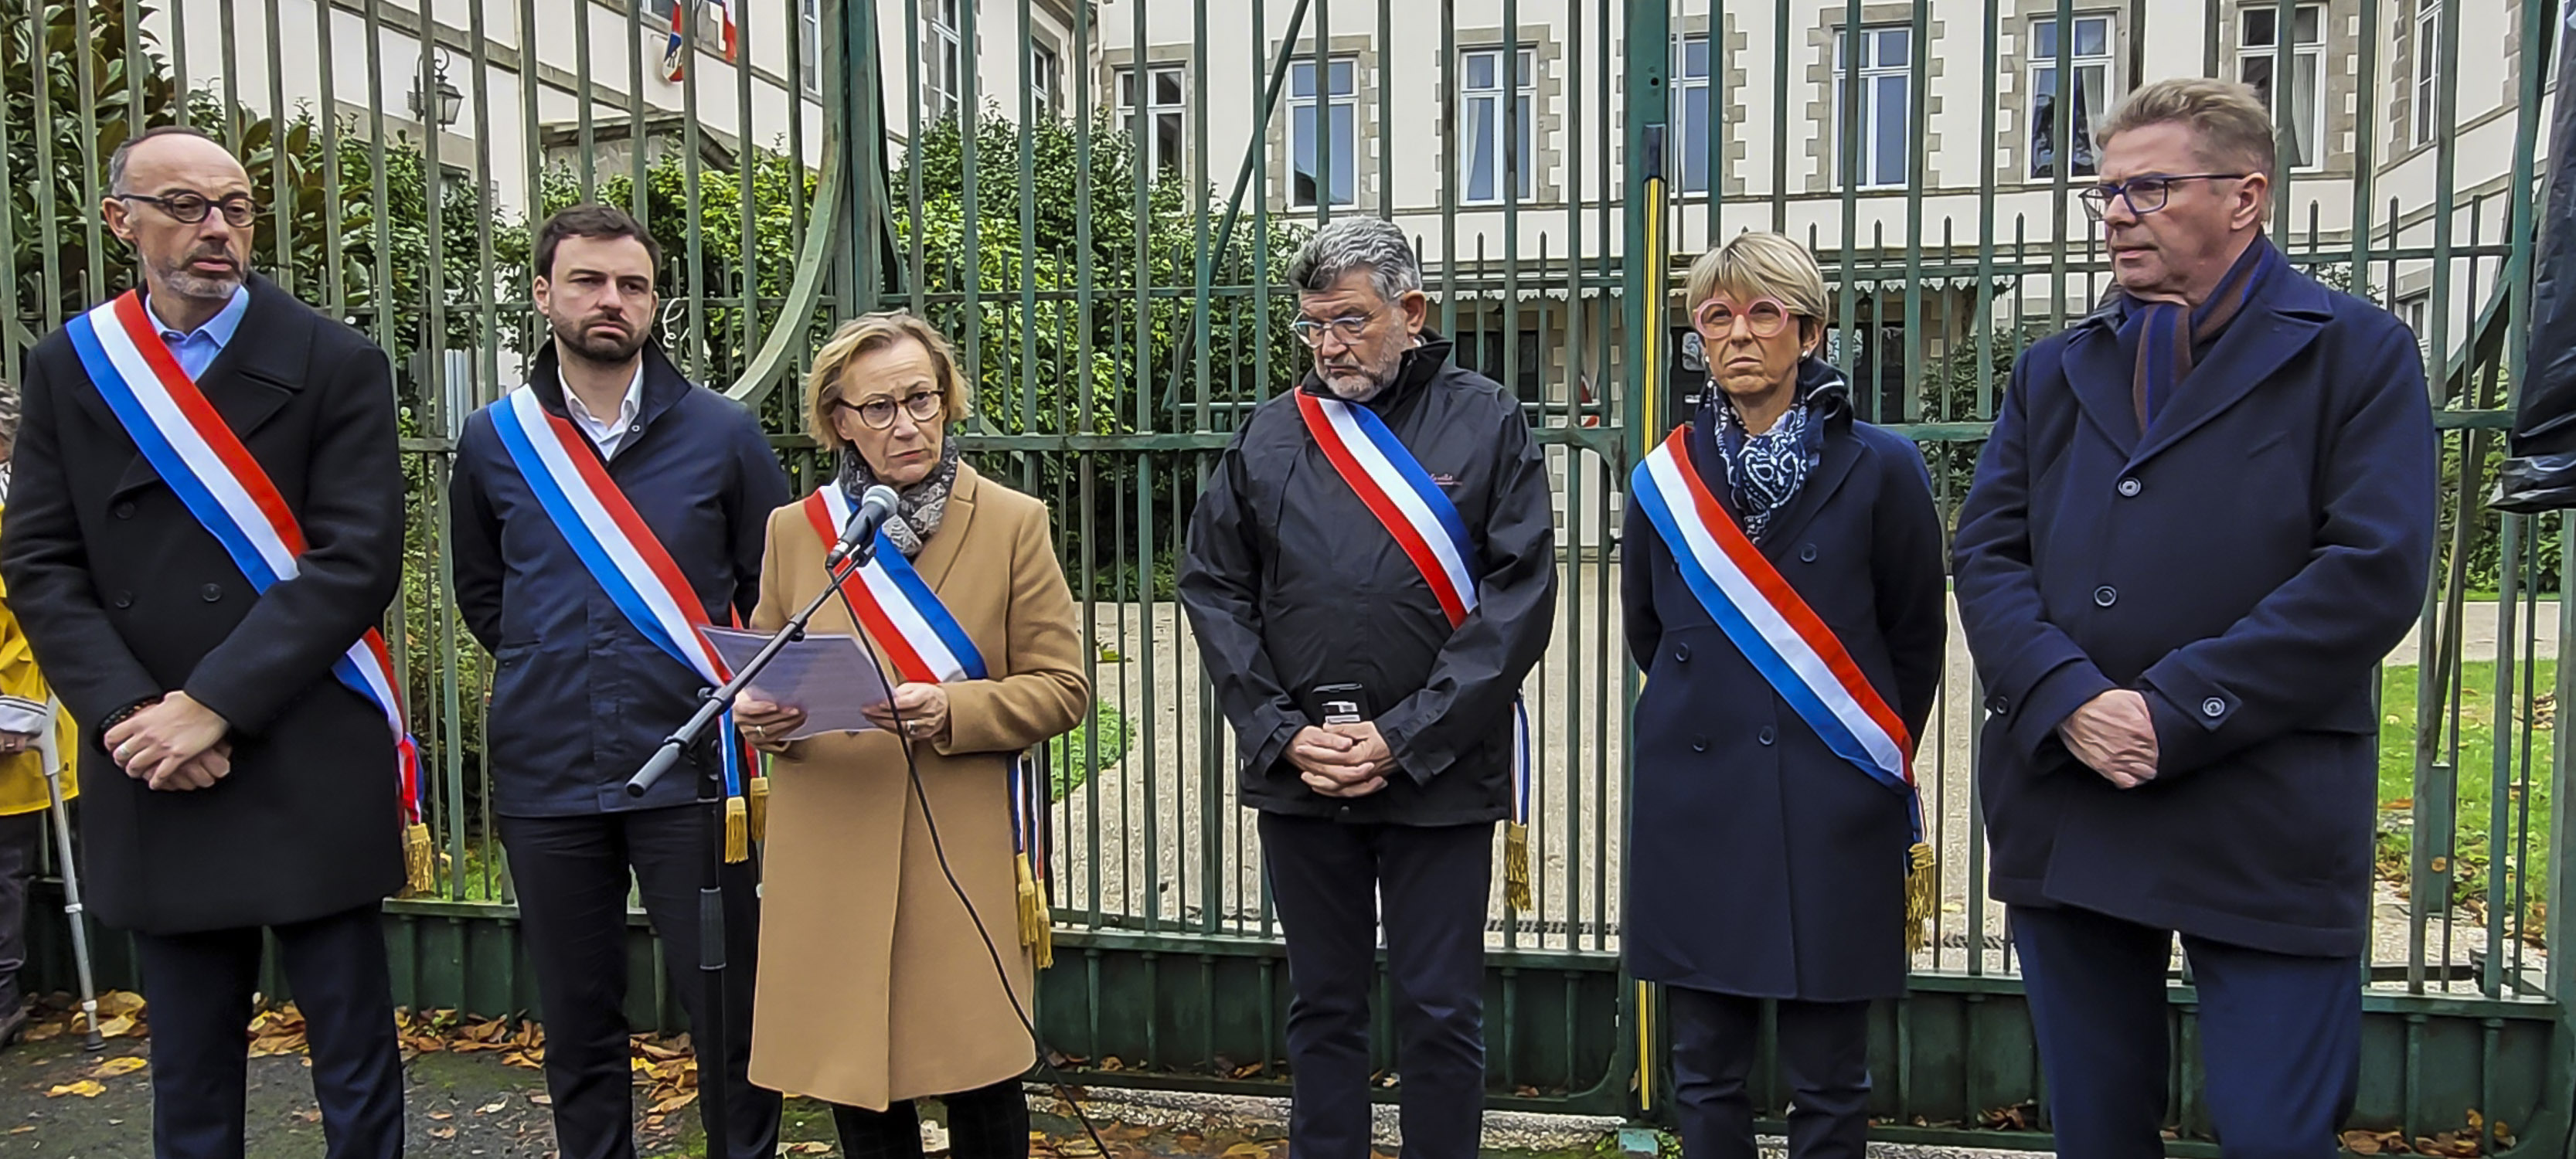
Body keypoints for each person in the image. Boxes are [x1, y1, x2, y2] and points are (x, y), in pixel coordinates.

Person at [1952, 78, 2436, 1158]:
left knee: (2274, 1134)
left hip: (2260, 805)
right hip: (2073, 797)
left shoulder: (2355, 353)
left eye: (2150, 188)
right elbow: (1985, 552)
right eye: (2106, 192)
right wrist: (2066, 694)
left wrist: (2177, 708)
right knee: (2097, 1132)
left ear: (2246, 197)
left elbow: (2371, 568)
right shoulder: (2051, 369)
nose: (2117, 213)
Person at [0, 124, 410, 1159]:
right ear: (120, 220)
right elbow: (42, 561)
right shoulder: (73, 366)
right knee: (186, 1072)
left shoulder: (335, 360)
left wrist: (211, 702)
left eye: (233, 206)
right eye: (183, 205)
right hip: (153, 759)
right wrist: (136, 715)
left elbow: (356, 560)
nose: (215, 228)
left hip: (304, 740)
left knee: (354, 1063)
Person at [1179, 217, 1557, 1159]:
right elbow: (1214, 589)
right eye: (1313, 327)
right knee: (1324, 1009)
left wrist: (1405, 735)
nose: (1330, 347)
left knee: (1439, 1012)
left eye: (1349, 321)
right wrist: (1279, 731)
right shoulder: (1270, 435)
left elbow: (1519, 598)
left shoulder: (1488, 418)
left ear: (1411, 310)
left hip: (1439, 772)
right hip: (1301, 775)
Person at [450, 204, 789, 1159]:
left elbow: (770, 589)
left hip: (692, 773)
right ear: (544, 293)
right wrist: (551, 666)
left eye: (633, 285)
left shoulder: (722, 433)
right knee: (577, 1018)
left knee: (728, 1010)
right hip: (547, 771)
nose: (613, 301)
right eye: (591, 281)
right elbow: (488, 597)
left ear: (653, 303)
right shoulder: (493, 441)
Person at [730, 311, 1089, 1159]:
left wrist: (954, 712)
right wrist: (763, 718)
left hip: (955, 835)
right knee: (857, 1072)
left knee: (980, 1071)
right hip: (833, 834)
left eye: (923, 399)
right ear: (840, 421)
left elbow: (1063, 688)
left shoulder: (1011, 521)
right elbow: (771, 665)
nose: (909, 425)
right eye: (881, 407)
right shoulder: (796, 531)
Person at [1622, 233, 1946, 1159]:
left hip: (1830, 795)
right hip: (1698, 797)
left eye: (1764, 313)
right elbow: (1651, 629)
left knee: (1831, 1079)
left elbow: (1914, 637)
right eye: (1717, 317)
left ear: (1809, 332)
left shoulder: (1883, 466)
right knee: (1704, 1067)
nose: (1739, 336)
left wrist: (1850, 756)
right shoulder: (1664, 480)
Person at [0, 384, 77, 1049]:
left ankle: (2, 997)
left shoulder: (19, 510)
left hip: (6, 722)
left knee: (2, 864)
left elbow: (34, 618)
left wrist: (15, 713)